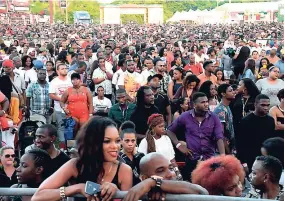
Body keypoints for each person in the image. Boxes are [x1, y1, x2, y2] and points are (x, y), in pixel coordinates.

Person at [31, 116, 133, 201]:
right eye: (107, 141)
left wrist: (117, 193)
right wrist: (77, 188)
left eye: (117, 141)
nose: (115, 146)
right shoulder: (75, 165)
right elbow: (38, 196)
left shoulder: (124, 170)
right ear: (93, 142)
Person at [167, 92, 225, 180]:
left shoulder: (214, 117)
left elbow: (219, 137)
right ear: (194, 104)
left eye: (206, 101)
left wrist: (223, 157)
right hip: (192, 160)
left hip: (209, 159)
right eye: (202, 102)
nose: (206, 104)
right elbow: (169, 130)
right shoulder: (185, 116)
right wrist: (179, 146)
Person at [123, 153, 209, 201]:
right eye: (160, 171)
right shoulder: (144, 197)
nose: (170, 174)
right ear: (144, 178)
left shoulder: (183, 191)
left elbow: (203, 192)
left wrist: (154, 182)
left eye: (171, 168)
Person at [236, 94, 275, 172]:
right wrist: (244, 163)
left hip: (265, 159)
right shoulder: (246, 121)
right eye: (263, 105)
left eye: (268, 105)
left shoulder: (270, 120)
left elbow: (271, 141)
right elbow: (240, 143)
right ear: (255, 104)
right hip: (249, 158)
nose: (266, 108)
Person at [49, 63, 72, 149]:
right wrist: (62, 99)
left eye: (66, 68)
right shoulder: (54, 82)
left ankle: (70, 147)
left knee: (70, 128)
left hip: (71, 109)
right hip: (59, 109)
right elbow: (51, 95)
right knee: (61, 127)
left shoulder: (70, 80)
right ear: (57, 71)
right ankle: (62, 147)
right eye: (62, 69)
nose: (65, 70)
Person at [119, 121, 144, 185]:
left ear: (136, 140)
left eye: (133, 141)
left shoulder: (141, 156)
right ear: (121, 141)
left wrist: (136, 155)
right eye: (127, 141)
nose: (130, 144)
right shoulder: (118, 157)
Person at [213, 84, 236, 154]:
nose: (234, 92)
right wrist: (228, 152)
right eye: (230, 91)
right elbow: (221, 133)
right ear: (223, 94)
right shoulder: (220, 110)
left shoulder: (227, 107)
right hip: (223, 150)